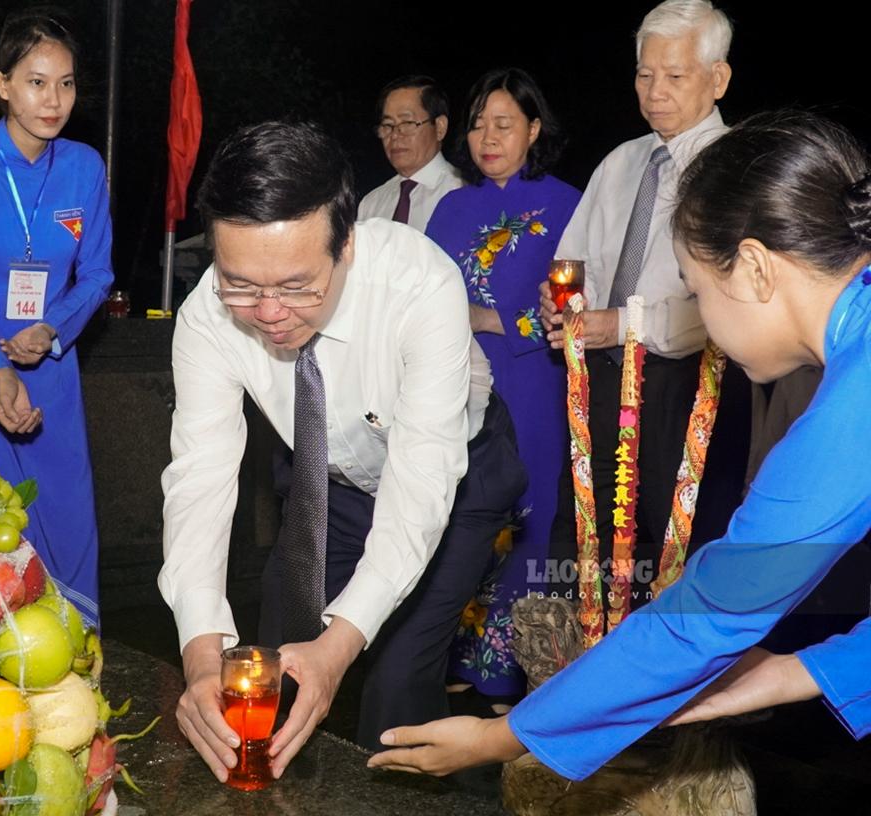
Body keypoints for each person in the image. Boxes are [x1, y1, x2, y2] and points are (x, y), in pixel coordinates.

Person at [368, 109, 871, 780]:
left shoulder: (850, 408)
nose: (705, 322)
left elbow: (704, 619)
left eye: (696, 292)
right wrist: (795, 672)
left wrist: (503, 738)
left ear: (753, 268)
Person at [161, 119, 526, 783]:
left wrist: (340, 644)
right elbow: (199, 481)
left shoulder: (420, 286)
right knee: (264, 668)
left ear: (347, 245)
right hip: (333, 488)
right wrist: (199, 659)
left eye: (298, 285)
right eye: (241, 284)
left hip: (456, 477)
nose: (268, 312)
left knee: (394, 678)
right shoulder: (205, 316)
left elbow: (420, 486)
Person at [540, 0, 747, 600]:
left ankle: (680, 687)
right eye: (644, 74)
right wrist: (563, 302)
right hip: (599, 381)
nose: (655, 91)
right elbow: (574, 259)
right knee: (582, 538)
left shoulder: (736, 169)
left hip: (687, 388)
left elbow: (724, 305)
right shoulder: (621, 161)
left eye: (675, 76)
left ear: (718, 78)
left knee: (674, 547)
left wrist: (623, 323)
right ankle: (577, 670)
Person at [0, 8, 113, 623]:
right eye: (36, 82)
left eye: (66, 83)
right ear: (2, 83)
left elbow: (96, 274)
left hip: (54, 368)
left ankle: (72, 665)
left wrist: (53, 327)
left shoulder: (85, 167)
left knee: (64, 516)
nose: (54, 99)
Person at [426, 68, 580, 701]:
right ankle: (459, 658)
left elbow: (580, 301)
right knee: (462, 514)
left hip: (534, 381)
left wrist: (495, 318)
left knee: (532, 517)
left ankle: (521, 668)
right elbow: (424, 289)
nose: (488, 137)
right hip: (458, 380)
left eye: (504, 124)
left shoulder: (567, 202)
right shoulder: (452, 206)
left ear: (534, 128)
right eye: (479, 124)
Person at [357, 76, 463, 231]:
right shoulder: (371, 204)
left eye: (407, 123)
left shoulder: (462, 191)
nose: (394, 135)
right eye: (388, 125)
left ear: (440, 127)